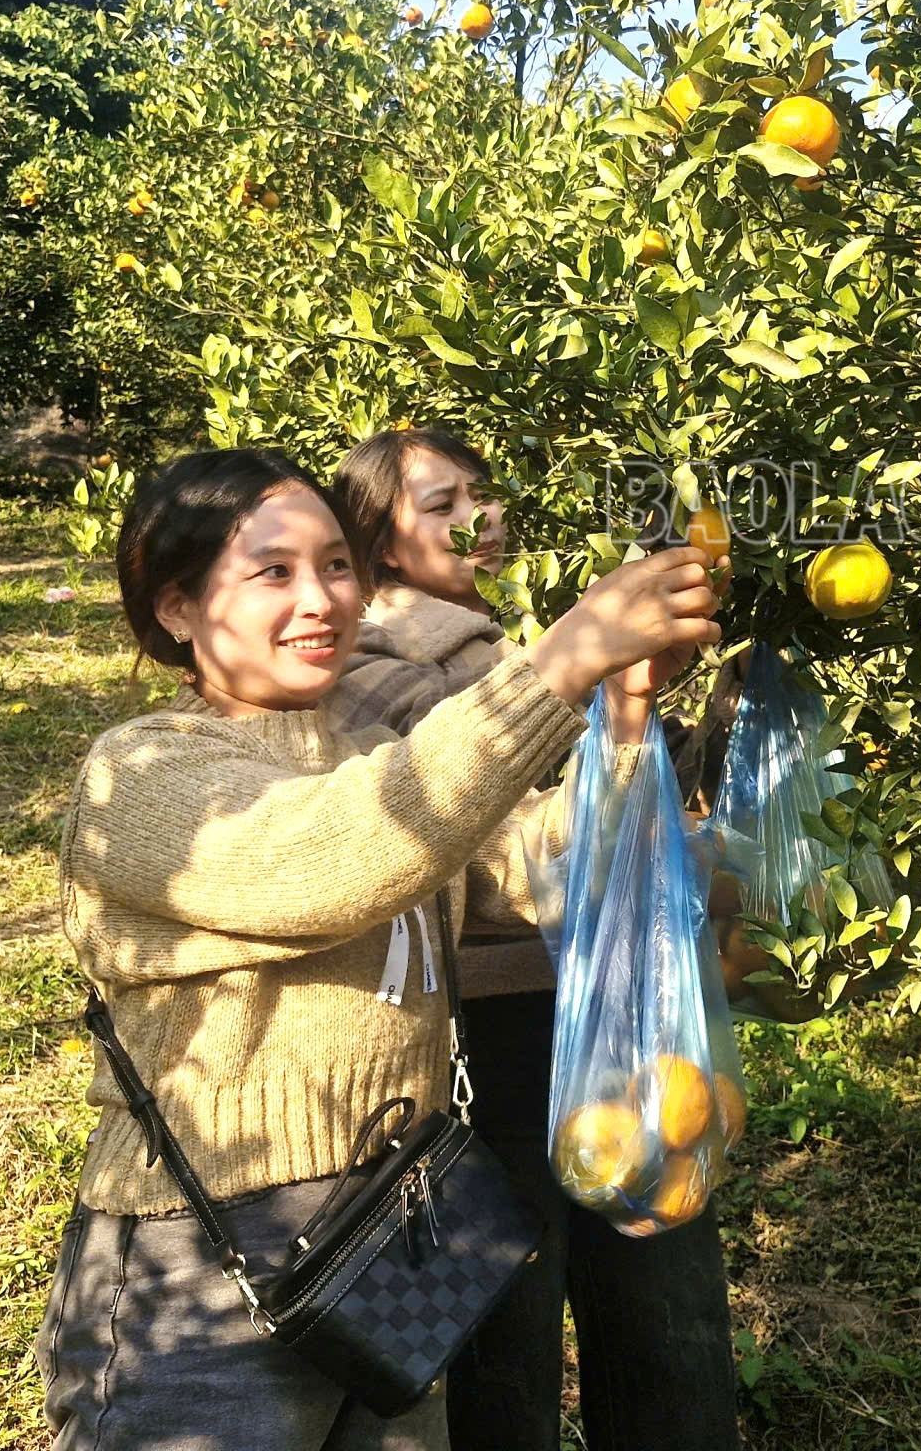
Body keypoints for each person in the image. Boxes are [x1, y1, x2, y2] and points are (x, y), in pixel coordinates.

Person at [38, 446, 721, 1451]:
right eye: (272, 572)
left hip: (393, 1237)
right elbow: (333, 856)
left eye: (335, 567)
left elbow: (546, 870)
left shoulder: (367, 760)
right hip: (205, 1258)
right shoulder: (142, 775)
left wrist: (622, 711)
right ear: (177, 609)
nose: (318, 599)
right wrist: (561, 661)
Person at [328, 425, 746, 1451]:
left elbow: (642, 788)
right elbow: (498, 849)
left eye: (484, 492)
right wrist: (600, 687)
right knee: (510, 1309)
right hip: (497, 1024)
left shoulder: (512, 637)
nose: (481, 516)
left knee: (656, 1272)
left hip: (604, 991)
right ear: (380, 542)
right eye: (441, 503)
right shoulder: (373, 669)